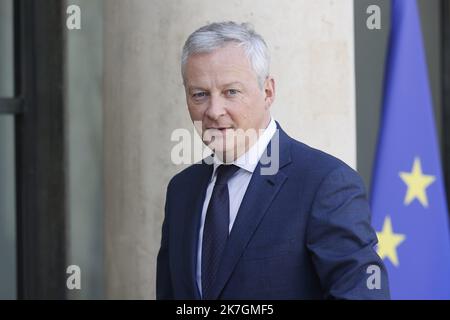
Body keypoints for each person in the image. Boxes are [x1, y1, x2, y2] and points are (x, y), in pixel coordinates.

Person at [156, 21, 390, 300]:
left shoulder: (324, 183)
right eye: (200, 94)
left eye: (231, 91)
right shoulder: (182, 190)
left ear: (267, 92)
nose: (214, 110)